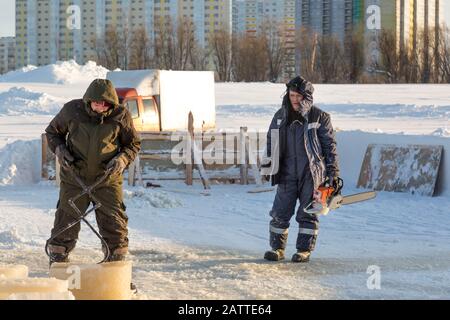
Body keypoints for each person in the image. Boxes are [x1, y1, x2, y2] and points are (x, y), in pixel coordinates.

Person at [45, 79, 141, 264]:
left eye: (106, 104)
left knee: (114, 223)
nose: (101, 107)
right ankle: (58, 262)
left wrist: (122, 159)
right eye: (97, 103)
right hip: (75, 177)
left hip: (107, 179)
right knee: (66, 221)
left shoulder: (121, 115)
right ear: (88, 100)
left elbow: (133, 144)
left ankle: (115, 265)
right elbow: (52, 132)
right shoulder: (72, 110)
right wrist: (60, 150)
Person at [262, 76, 340, 263]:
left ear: (307, 97)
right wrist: (268, 166)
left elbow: (330, 147)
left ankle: (304, 250)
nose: (294, 99)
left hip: (311, 174)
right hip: (287, 172)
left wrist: (333, 174)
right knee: (280, 212)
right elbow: (271, 142)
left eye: (298, 96)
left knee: (308, 213)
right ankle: (277, 249)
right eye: (291, 95)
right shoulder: (280, 116)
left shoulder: (320, 117)